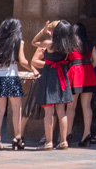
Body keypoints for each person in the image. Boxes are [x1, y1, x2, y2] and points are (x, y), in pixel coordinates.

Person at [0, 17, 34, 150]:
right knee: (16, 108)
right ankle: (17, 137)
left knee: (0, 110)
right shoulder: (18, 42)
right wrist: (33, 69)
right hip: (12, 77)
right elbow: (23, 60)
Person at [31, 20, 76, 149]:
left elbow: (33, 42)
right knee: (62, 111)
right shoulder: (67, 45)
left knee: (49, 112)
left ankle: (49, 142)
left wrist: (43, 31)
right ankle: (63, 141)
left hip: (49, 76)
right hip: (62, 76)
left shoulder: (50, 44)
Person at [71, 22, 96, 145]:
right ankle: (86, 134)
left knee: (71, 107)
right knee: (87, 106)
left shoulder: (71, 44)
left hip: (75, 73)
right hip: (88, 73)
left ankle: (67, 135)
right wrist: (89, 67)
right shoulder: (90, 44)